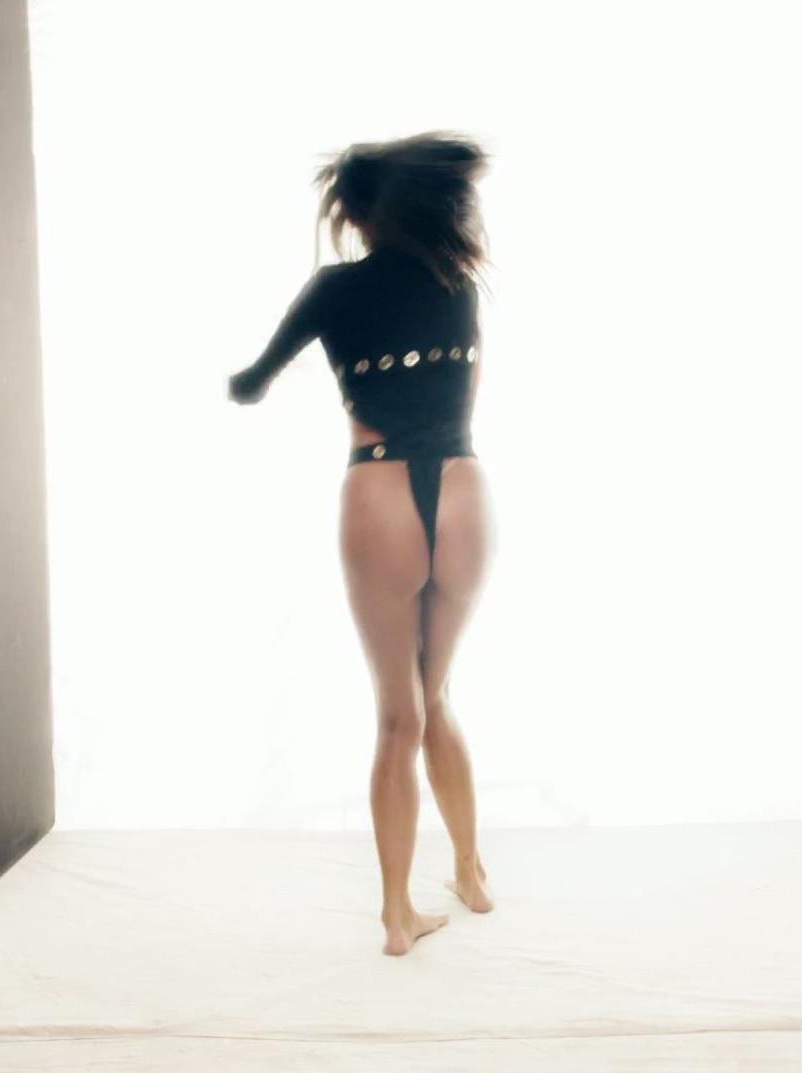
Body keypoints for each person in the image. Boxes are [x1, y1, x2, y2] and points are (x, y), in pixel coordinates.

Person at [228, 132, 495, 956]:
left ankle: (397, 915)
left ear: (357, 212)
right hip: (462, 492)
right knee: (435, 695)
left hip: (379, 491)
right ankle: (471, 873)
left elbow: (251, 383)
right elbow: (462, 393)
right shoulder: (460, 285)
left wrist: (302, 362)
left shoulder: (333, 290)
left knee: (396, 717)